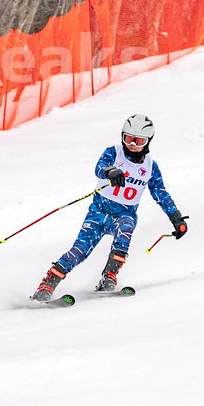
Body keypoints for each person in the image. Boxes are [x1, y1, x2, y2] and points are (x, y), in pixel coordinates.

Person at [31, 113, 188, 301]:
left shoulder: (150, 167)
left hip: (125, 213)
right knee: (79, 251)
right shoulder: (114, 153)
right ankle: (47, 284)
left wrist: (176, 218)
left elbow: (161, 194)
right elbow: (99, 167)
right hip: (98, 213)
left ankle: (109, 277)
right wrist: (110, 171)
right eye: (128, 138)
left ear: (148, 142)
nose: (132, 144)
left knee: (125, 233)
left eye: (139, 141)